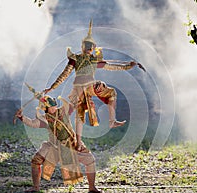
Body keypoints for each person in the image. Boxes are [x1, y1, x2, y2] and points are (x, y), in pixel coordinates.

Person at [43, 19, 144, 151]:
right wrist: (52, 87)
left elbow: (112, 67)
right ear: (83, 47)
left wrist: (128, 66)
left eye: (90, 47)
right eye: (87, 47)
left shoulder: (94, 60)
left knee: (111, 93)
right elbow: (64, 74)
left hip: (91, 87)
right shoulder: (75, 59)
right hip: (79, 89)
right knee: (79, 114)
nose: (89, 49)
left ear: (93, 48)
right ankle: (77, 142)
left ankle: (112, 121)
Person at [15, 95, 100, 193]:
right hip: (54, 148)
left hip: (71, 145)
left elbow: (75, 104)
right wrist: (22, 118)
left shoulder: (64, 111)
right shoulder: (45, 119)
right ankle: (36, 187)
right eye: (51, 107)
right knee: (35, 161)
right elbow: (33, 123)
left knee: (90, 160)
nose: (54, 108)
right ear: (46, 109)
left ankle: (92, 187)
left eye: (54, 106)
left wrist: (82, 98)